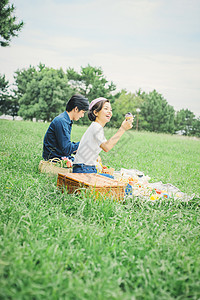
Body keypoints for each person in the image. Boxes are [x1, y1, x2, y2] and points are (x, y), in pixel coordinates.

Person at [73, 97, 133, 174]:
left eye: (110, 110)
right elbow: (106, 147)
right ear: (96, 112)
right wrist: (122, 129)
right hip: (83, 169)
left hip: (84, 168)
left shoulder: (96, 127)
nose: (109, 112)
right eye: (106, 109)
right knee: (123, 185)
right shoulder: (96, 127)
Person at [43, 94, 89, 161]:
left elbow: (65, 146)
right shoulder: (61, 121)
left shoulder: (66, 120)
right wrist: (84, 143)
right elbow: (66, 149)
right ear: (76, 109)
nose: (82, 115)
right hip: (54, 158)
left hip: (61, 155)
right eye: (82, 112)